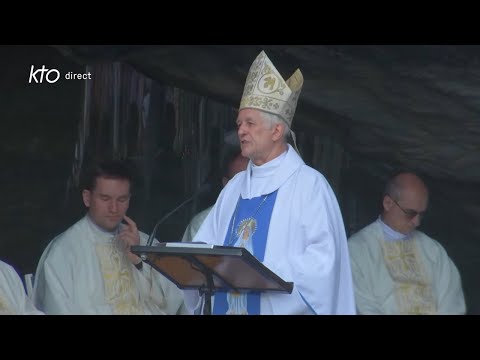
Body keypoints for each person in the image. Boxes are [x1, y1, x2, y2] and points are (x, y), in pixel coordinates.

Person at [184, 50, 356, 315]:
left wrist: (260, 271)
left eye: (250, 123)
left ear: (277, 131)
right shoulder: (234, 188)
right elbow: (203, 250)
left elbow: (324, 266)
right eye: (240, 123)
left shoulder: (310, 187)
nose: (241, 130)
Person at [33, 160, 188, 315]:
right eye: (105, 199)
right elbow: (58, 308)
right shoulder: (64, 252)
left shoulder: (146, 243)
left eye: (121, 200)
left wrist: (140, 262)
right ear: (87, 198)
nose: (114, 208)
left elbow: (175, 303)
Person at [348, 172, 466, 315]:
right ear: (388, 203)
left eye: (421, 214)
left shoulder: (434, 251)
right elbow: (361, 305)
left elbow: (451, 302)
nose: (417, 222)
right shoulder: (357, 250)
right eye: (410, 213)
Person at [181, 150, 248, 243]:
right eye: (238, 179)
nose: (246, 184)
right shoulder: (202, 222)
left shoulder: (269, 212)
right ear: (225, 183)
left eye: (250, 178)